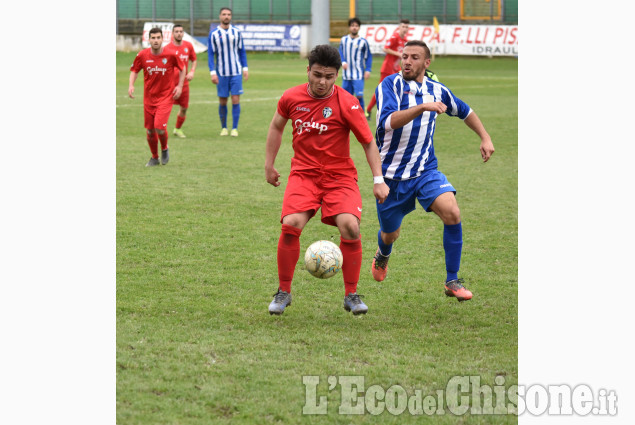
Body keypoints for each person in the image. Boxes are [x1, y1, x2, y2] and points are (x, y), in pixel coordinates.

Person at [265, 44, 390, 316]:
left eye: (329, 76)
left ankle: (352, 295)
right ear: (307, 70)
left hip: (339, 176)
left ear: (338, 75)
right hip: (304, 174)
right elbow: (276, 126)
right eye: (317, 75)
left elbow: (368, 143)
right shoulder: (291, 97)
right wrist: (269, 164)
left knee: (350, 228)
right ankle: (283, 292)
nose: (322, 82)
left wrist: (378, 179)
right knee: (290, 224)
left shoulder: (347, 103)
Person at [370, 40, 495, 302]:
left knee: (452, 211)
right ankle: (383, 254)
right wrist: (421, 107)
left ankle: (452, 280)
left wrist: (485, 137)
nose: (406, 61)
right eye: (404, 56)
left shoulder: (437, 90)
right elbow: (388, 122)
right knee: (390, 233)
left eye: (414, 57)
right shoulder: (389, 86)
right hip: (391, 177)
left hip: (425, 170)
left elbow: (465, 110)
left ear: (427, 63)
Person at [129, 27, 185, 167]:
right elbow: (135, 70)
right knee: (149, 130)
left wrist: (179, 86)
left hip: (166, 97)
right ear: (149, 39)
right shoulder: (142, 55)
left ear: (162, 39)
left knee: (159, 127)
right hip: (149, 99)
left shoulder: (171, 55)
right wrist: (131, 85)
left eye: (158, 38)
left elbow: (183, 68)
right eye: (153, 38)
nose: (155, 40)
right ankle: (154, 157)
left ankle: (164, 148)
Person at [208, 7, 248, 137]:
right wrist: (212, 72)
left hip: (236, 72)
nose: (226, 16)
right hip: (221, 73)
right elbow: (210, 54)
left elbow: (242, 51)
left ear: (231, 16)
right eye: (224, 14)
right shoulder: (214, 34)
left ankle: (234, 128)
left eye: (229, 14)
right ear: (220, 16)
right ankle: (224, 128)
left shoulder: (237, 33)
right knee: (223, 101)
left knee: (235, 99)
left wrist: (245, 68)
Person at [365, 19, 409, 117]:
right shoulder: (394, 37)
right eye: (403, 27)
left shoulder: (405, 41)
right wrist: (398, 53)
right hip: (387, 68)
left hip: (396, 69)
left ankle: (395, 112)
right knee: (381, 90)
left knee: (398, 90)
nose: (405, 29)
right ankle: (368, 110)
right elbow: (385, 48)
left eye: (406, 27)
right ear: (399, 28)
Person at [163, 24, 197, 138]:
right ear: (172, 34)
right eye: (176, 31)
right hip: (170, 84)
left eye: (181, 31)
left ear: (183, 33)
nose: (179, 33)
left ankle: (177, 129)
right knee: (165, 107)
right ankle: (160, 128)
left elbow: (194, 59)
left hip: (184, 84)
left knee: (184, 108)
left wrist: (192, 71)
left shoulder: (188, 46)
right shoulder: (167, 48)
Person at [338, 17, 372, 120]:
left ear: (359, 28)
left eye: (356, 26)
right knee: (345, 96)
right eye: (352, 25)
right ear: (349, 27)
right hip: (346, 74)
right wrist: (343, 62)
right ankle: (344, 114)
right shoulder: (344, 40)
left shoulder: (363, 42)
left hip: (358, 74)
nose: (354, 27)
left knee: (359, 95)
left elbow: (368, 56)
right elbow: (340, 53)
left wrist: (368, 69)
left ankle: (362, 115)